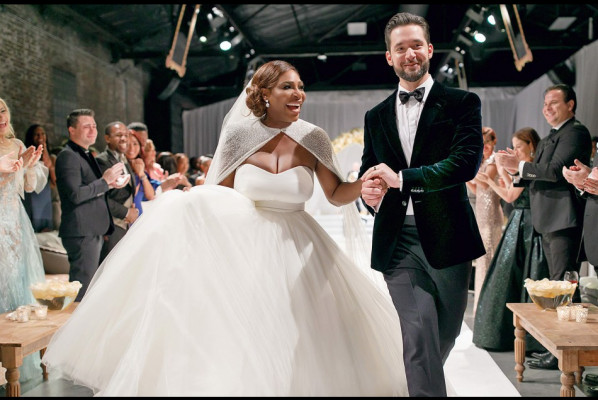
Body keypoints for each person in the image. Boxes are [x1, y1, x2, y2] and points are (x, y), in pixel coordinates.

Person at [41, 60, 409, 396]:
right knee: (244, 336)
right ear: (264, 93)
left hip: (301, 248)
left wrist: (365, 183)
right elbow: (218, 196)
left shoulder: (313, 137)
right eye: (287, 86)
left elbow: (336, 193)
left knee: (307, 334)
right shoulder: (239, 138)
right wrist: (185, 205)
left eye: (300, 86)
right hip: (245, 248)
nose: (298, 93)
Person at [359, 12, 485, 397]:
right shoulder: (375, 116)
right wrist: (368, 192)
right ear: (389, 57)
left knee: (443, 335)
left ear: (429, 49)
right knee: (417, 334)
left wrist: (405, 178)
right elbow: (369, 169)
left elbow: (465, 163)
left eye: (416, 45)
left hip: (450, 236)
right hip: (398, 241)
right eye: (401, 48)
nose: (409, 54)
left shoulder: (462, 103)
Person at [495, 83, 592, 370]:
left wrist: (519, 165)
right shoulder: (551, 136)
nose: (547, 108)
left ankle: (564, 351)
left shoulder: (575, 132)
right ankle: (562, 349)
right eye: (545, 103)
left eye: (553, 103)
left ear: (570, 105)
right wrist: (514, 169)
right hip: (549, 219)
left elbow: (555, 171)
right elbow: (535, 175)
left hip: (563, 219)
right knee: (561, 286)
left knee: (564, 286)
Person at [472, 127, 549, 351]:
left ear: (531, 146)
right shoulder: (524, 168)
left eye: (518, 146)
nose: (515, 151)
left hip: (527, 223)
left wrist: (491, 180)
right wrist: (503, 172)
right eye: (513, 147)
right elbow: (511, 189)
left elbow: (509, 196)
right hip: (519, 221)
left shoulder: (530, 168)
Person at [55, 109, 130, 302]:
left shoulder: (84, 154)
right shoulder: (68, 155)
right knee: (82, 291)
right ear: (72, 130)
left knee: (91, 290)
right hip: (82, 231)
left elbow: (91, 189)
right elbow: (75, 194)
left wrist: (110, 184)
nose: (92, 130)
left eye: (94, 126)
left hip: (92, 229)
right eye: (86, 126)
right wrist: (104, 182)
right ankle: (74, 321)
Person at [0, 98, 47, 382]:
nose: (0, 117)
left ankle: (19, 358)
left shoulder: (17, 144)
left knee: (18, 281)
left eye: (3, 111)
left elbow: (27, 187)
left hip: (16, 222)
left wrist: (28, 165)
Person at [466, 126, 504, 312]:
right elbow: (477, 190)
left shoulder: (494, 160)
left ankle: (487, 307)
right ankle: (480, 307)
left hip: (491, 216)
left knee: (488, 259)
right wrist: (465, 177)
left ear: (493, 142)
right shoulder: (483, 162)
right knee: (482, 261)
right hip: (481, 214)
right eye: (481, 144)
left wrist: (466, 171)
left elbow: (485, 183)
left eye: (487, 142)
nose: (485, 147)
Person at [96, 121, 139, 264]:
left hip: (124, 225)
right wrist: (126, 212)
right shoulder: (102, 161)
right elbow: (100, 197)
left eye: (126, 135)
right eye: (119, 135)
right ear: (107, 138)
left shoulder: (124, 160)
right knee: (108, 268)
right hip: (111, 225)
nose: (124, 138)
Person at [22, 124, 56, 232]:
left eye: (42, 134)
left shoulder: (52, 157)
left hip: (45, 192)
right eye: (36, 134)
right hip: (31, 191)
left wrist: (44, 148)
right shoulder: (26, 155)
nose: (40, 137)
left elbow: (53, 178)